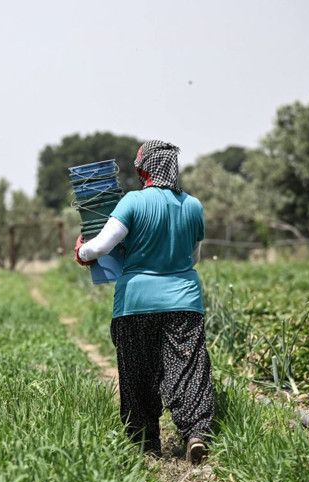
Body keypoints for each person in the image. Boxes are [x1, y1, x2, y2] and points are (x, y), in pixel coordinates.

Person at [74, 140, 214, 464]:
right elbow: (194, 257)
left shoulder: (133, 203)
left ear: (144, 169)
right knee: (189, 368)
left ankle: (146, 442)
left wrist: (82, 252)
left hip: (136, 302)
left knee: (138, 373)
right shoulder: (193, 205)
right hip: (184, 301)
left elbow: (101, 246)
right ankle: (195, 432)